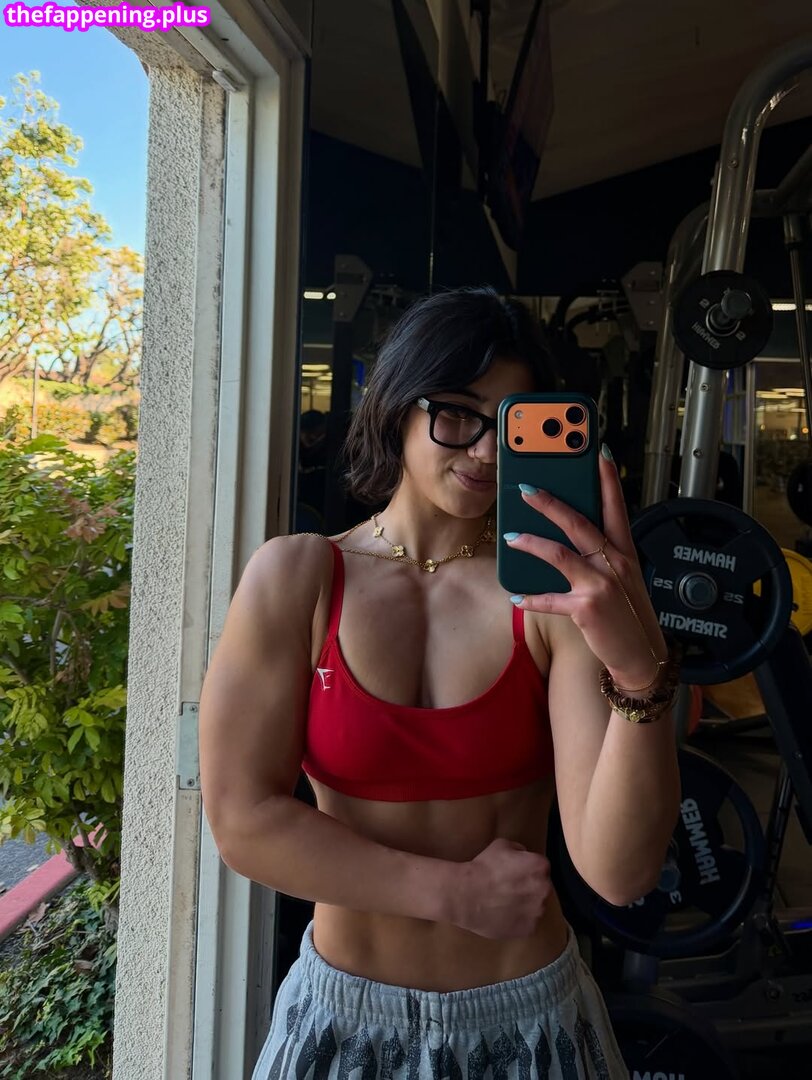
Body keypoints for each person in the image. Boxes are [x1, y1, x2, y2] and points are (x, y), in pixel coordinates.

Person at [199, 287, 682, 1079]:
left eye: (511, 426)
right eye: (458, 413)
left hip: (529, 1024)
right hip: (339, 1023)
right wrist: (453, 893)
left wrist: (640, 669)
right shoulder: (299, 577)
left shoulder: (550, 599)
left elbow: (619, 873)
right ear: (399, 403)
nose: (486, 452)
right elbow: (242, 823)